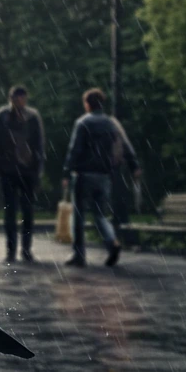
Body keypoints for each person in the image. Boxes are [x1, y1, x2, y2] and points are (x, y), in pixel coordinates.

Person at [61, 88, 141, 267]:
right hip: (104, 176)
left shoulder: (83, 123)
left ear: (87, 104)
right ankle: (112, 241)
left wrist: (67, 172)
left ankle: (79, 255)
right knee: (100, 215)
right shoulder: (111, 123)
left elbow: (75, 150)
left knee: (79, 216)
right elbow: (125, 145)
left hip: (84, 175)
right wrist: (134, 165)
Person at [0, 85, 45, 263]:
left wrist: (38, 167)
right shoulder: (2, 116)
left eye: (21, 98)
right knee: (10, 211)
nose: (19, 101)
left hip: (27, 170)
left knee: (27, 211)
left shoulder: (32, 117)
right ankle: (12, 249)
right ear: (11, 98)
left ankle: (26, 249)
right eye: (16, 98)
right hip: (8, 170)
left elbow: (39, 144)